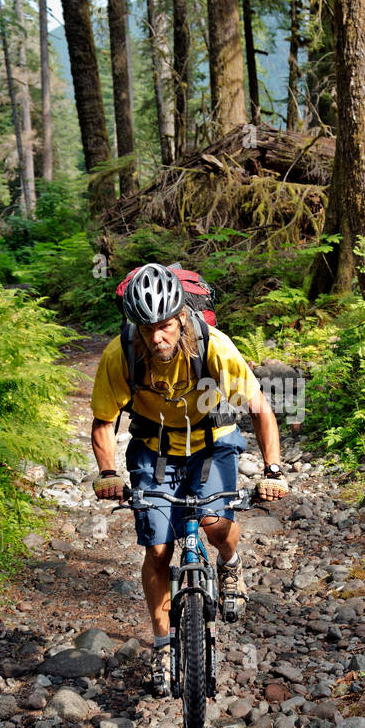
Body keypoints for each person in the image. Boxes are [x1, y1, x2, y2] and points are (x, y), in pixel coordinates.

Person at [90, 262, 289, 695]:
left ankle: (231, 564)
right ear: (135, 326)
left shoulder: (213, 346)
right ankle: (163, 647)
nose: (157, 338)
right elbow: (104, 421)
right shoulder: (120, 354)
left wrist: (273, 470)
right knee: (159, 549)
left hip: (211, 442)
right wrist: (107, 473)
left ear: (181, 318)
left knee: (215, 523)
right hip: (154, 449)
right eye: (147, 329)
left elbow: (258, 408)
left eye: (164, 326)